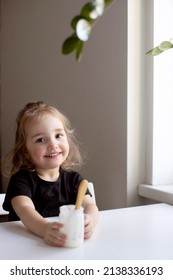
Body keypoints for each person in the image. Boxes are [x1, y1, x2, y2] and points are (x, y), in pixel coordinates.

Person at [2, 101, 99, 247]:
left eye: (58, 135)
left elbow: (90, 205)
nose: (53, 144)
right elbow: (24, 210)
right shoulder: (21, 180)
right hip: (25, 249)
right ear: (25, 152)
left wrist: (90, 220)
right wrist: (44, 228)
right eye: (41, 140)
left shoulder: (75, 180)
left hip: (63, 247)